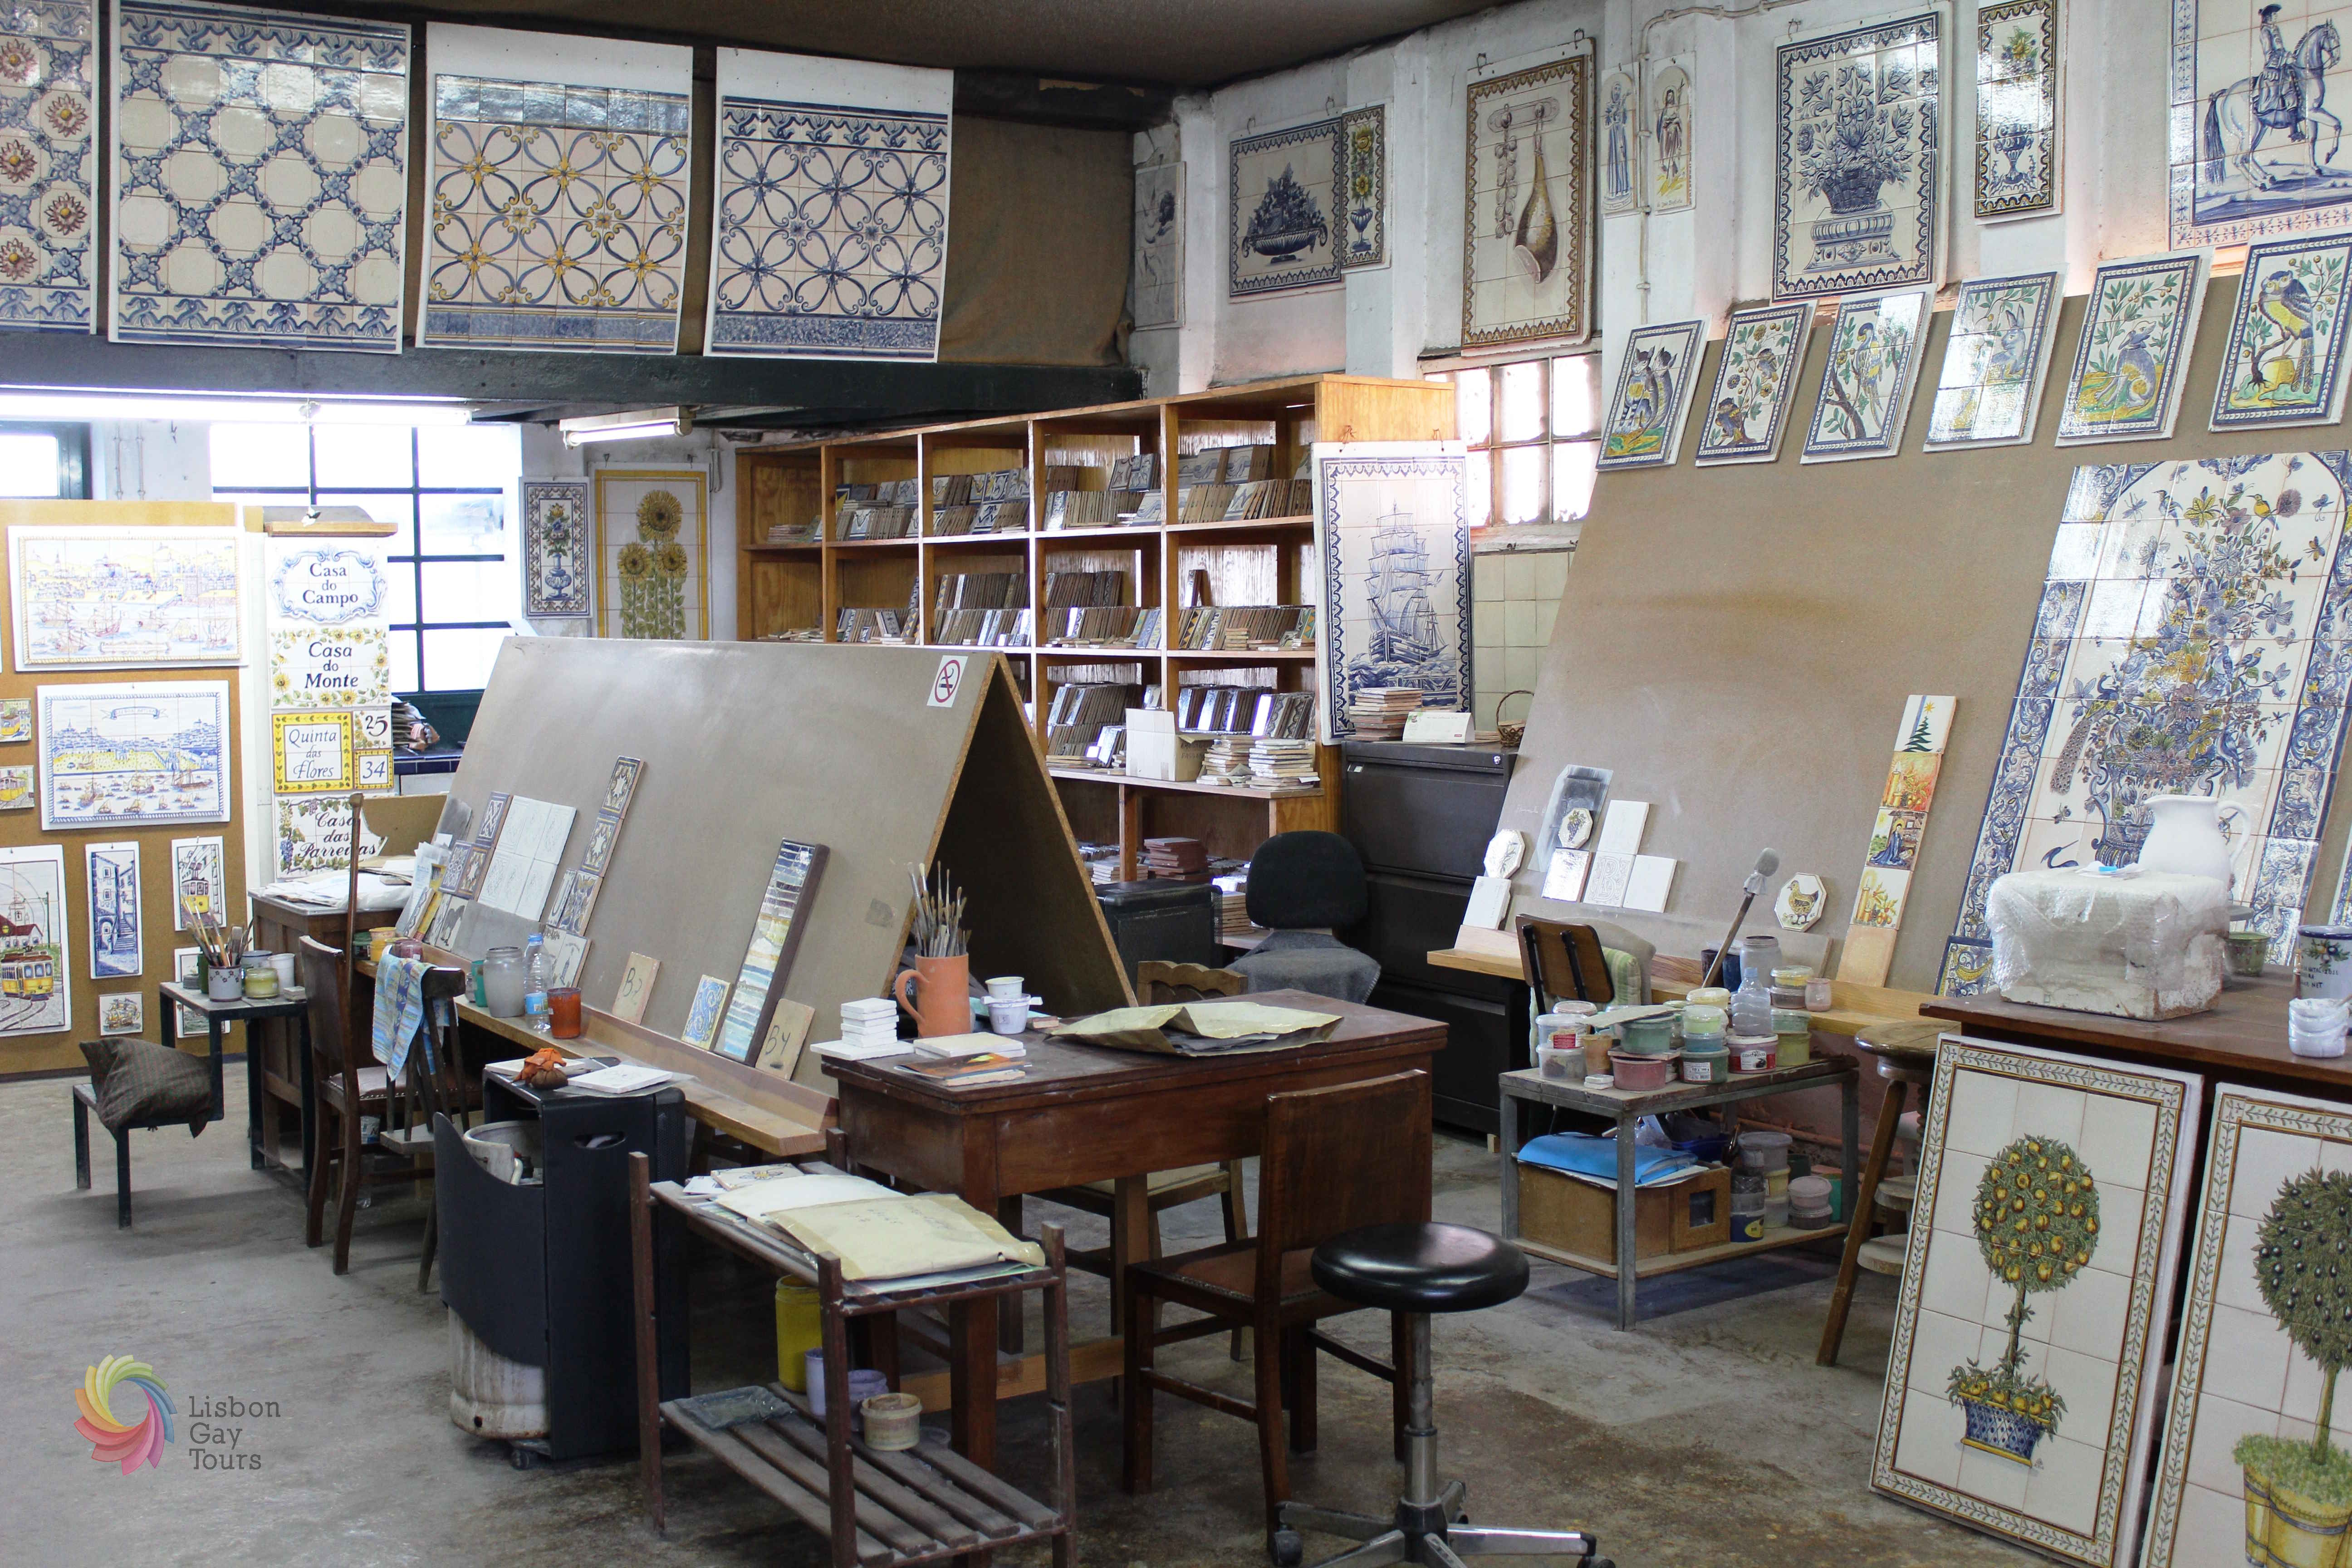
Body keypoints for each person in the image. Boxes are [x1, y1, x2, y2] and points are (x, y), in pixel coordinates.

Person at [2256, 3, 2307, 142]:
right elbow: (2270, 54)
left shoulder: (2275, 29)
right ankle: (2294, 131)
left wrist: (2288, 55)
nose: (2276, 17)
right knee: (2289, 92)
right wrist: (2285, 57)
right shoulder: (2265, 32)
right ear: (2268, 17)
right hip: (2274, 69)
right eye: (2274, 15)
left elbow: (2281, 49)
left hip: (2282, 66)